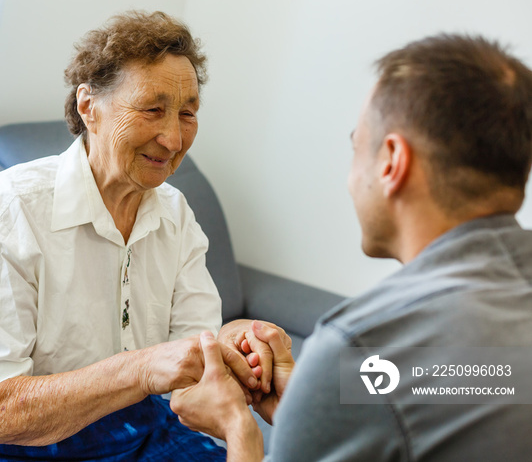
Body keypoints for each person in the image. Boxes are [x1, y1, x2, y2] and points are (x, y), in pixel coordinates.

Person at [0, 11, 284, 461]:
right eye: (152, 109)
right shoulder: (14, 205)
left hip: (136, 427)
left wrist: (238, 347)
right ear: (89, 106)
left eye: (187, 113)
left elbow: (192, 366)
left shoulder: (174, 212)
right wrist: (146, 368)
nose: (172, 138)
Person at [170, 34, 532, 461]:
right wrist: (305, 408)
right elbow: (475, 384)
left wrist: (235, 426)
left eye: (356, 146)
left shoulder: (358, 346)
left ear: (392, 162)